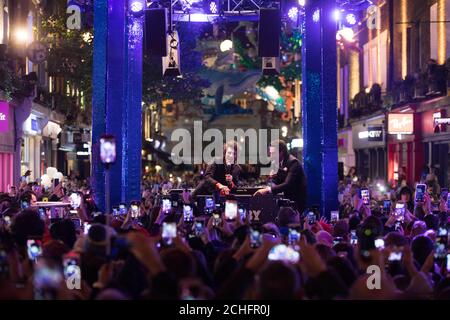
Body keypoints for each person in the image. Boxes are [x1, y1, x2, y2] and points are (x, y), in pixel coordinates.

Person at [254, 140, 307, 213]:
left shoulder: (293, 163)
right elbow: (277, 181)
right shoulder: (278, 162)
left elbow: (287, 184)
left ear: (281, 153)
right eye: (270, 153)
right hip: (287, 201)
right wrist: (273, 178)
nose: (270, 156)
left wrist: (268, 190)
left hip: (296, 204)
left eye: (273, 153)